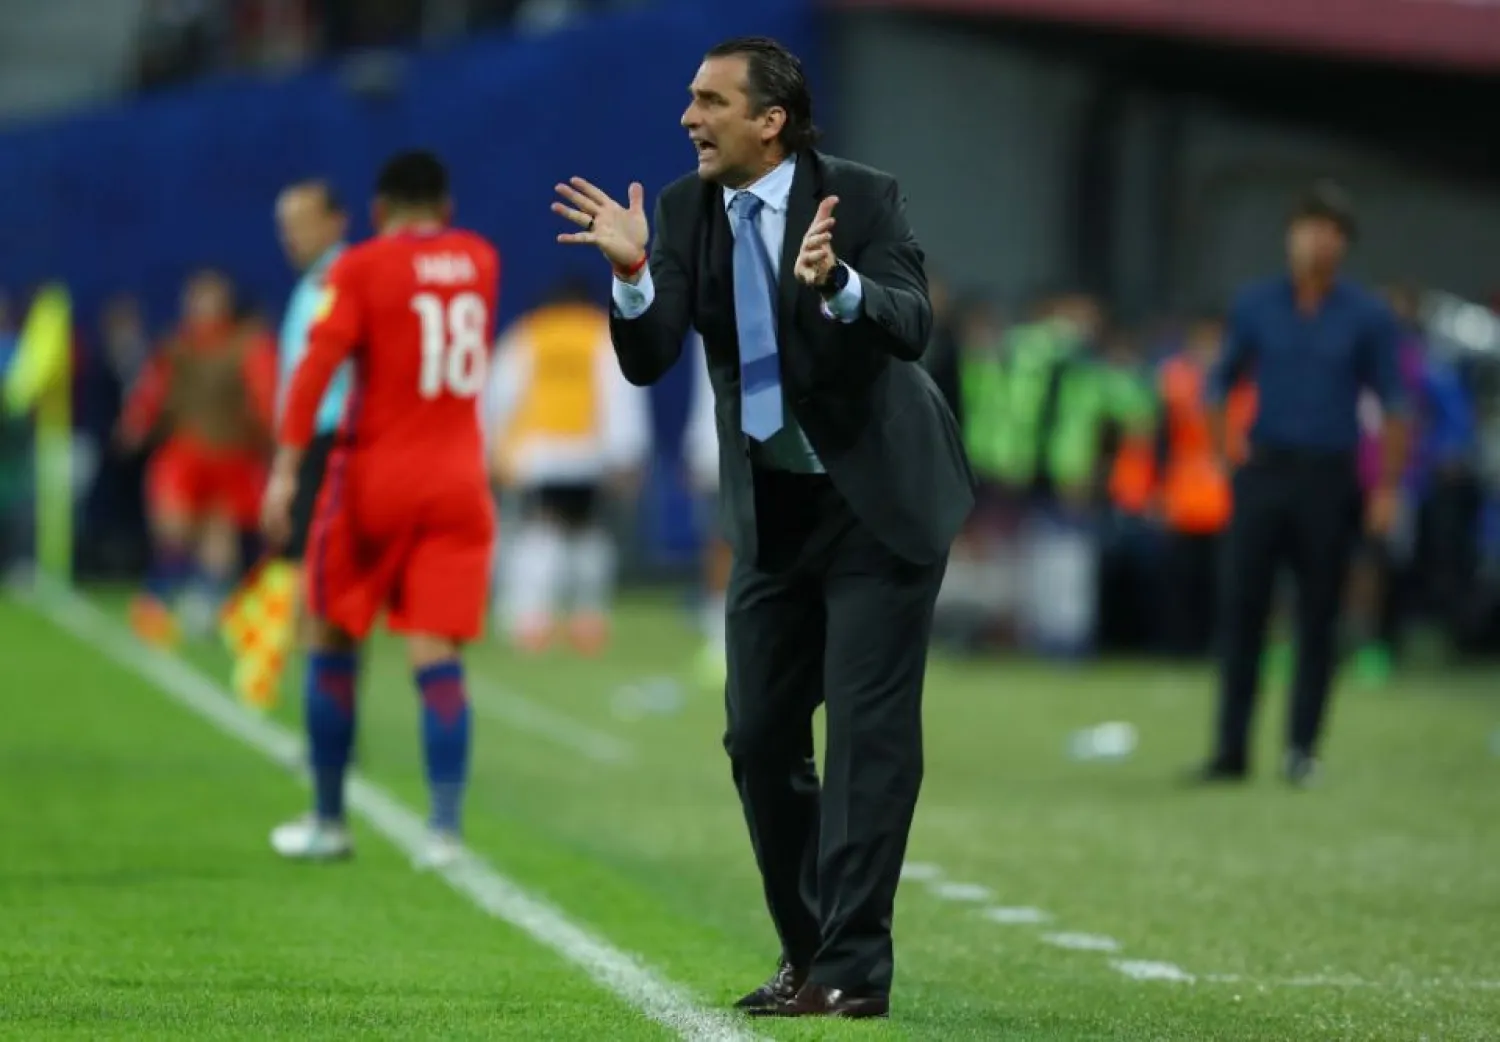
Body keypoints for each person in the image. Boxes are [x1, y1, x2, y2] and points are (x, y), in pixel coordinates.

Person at [552, 36, 973, 1020]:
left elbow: (912, 324)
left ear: (770, 120)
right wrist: (630, 276)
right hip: (776, 508)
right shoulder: (683, 208)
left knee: (870, 738)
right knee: (757, 735)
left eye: (710, 101)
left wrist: (840, 286)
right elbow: (651, 354)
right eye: (690, 100)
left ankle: (854, 969)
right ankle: (806, 947)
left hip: (878, 503)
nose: (689, 118)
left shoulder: (862, 198)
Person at [260, 150, 501, 866]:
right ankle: (446, 831)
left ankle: (329, 822)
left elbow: (315, 368)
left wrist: (283, 468)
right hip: (459, 481)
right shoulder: (482, 260)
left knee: (331, 637)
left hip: (375, 477)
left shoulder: (360, 267)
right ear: (446, 205)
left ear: (376, 211)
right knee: (436, 654)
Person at [1196, 180, 1405, 787]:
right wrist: (1221, 458)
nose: (1320, 241)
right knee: (1242, 611)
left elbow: (1394, 403)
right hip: (1264, 470)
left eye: (1333, 231)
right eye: (1311, 226)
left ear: (1344, 244)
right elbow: (1220, 382)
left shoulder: (1367, 316)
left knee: (1318, 615)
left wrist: (1387, 487)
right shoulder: (1257, 304)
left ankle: (1301, 749)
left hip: (1329, 477)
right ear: (1292, 234)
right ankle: (1230, 750)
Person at [485, 277, 651, 655]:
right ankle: (587, 620)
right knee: (589, 535)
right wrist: (626, 457)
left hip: (536, 457)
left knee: (538, 534)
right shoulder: (598, 334)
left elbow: (499, 397)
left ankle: (532, 619)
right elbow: (620, 397)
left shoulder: (528, 334)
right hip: (588, 456)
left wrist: (494, 453)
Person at [118, 269, 278, 644]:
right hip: (184, 453)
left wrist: (271, 435)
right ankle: (154, 602)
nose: (202, 307)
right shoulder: (176, 348)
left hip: (232, 455)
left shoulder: (246, 346)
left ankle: (206, 604)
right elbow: (152, 391)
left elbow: (266, 395)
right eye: (197, 299)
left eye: (210, 299)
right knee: (174, 528)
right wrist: (137, 423)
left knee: (219, 536)